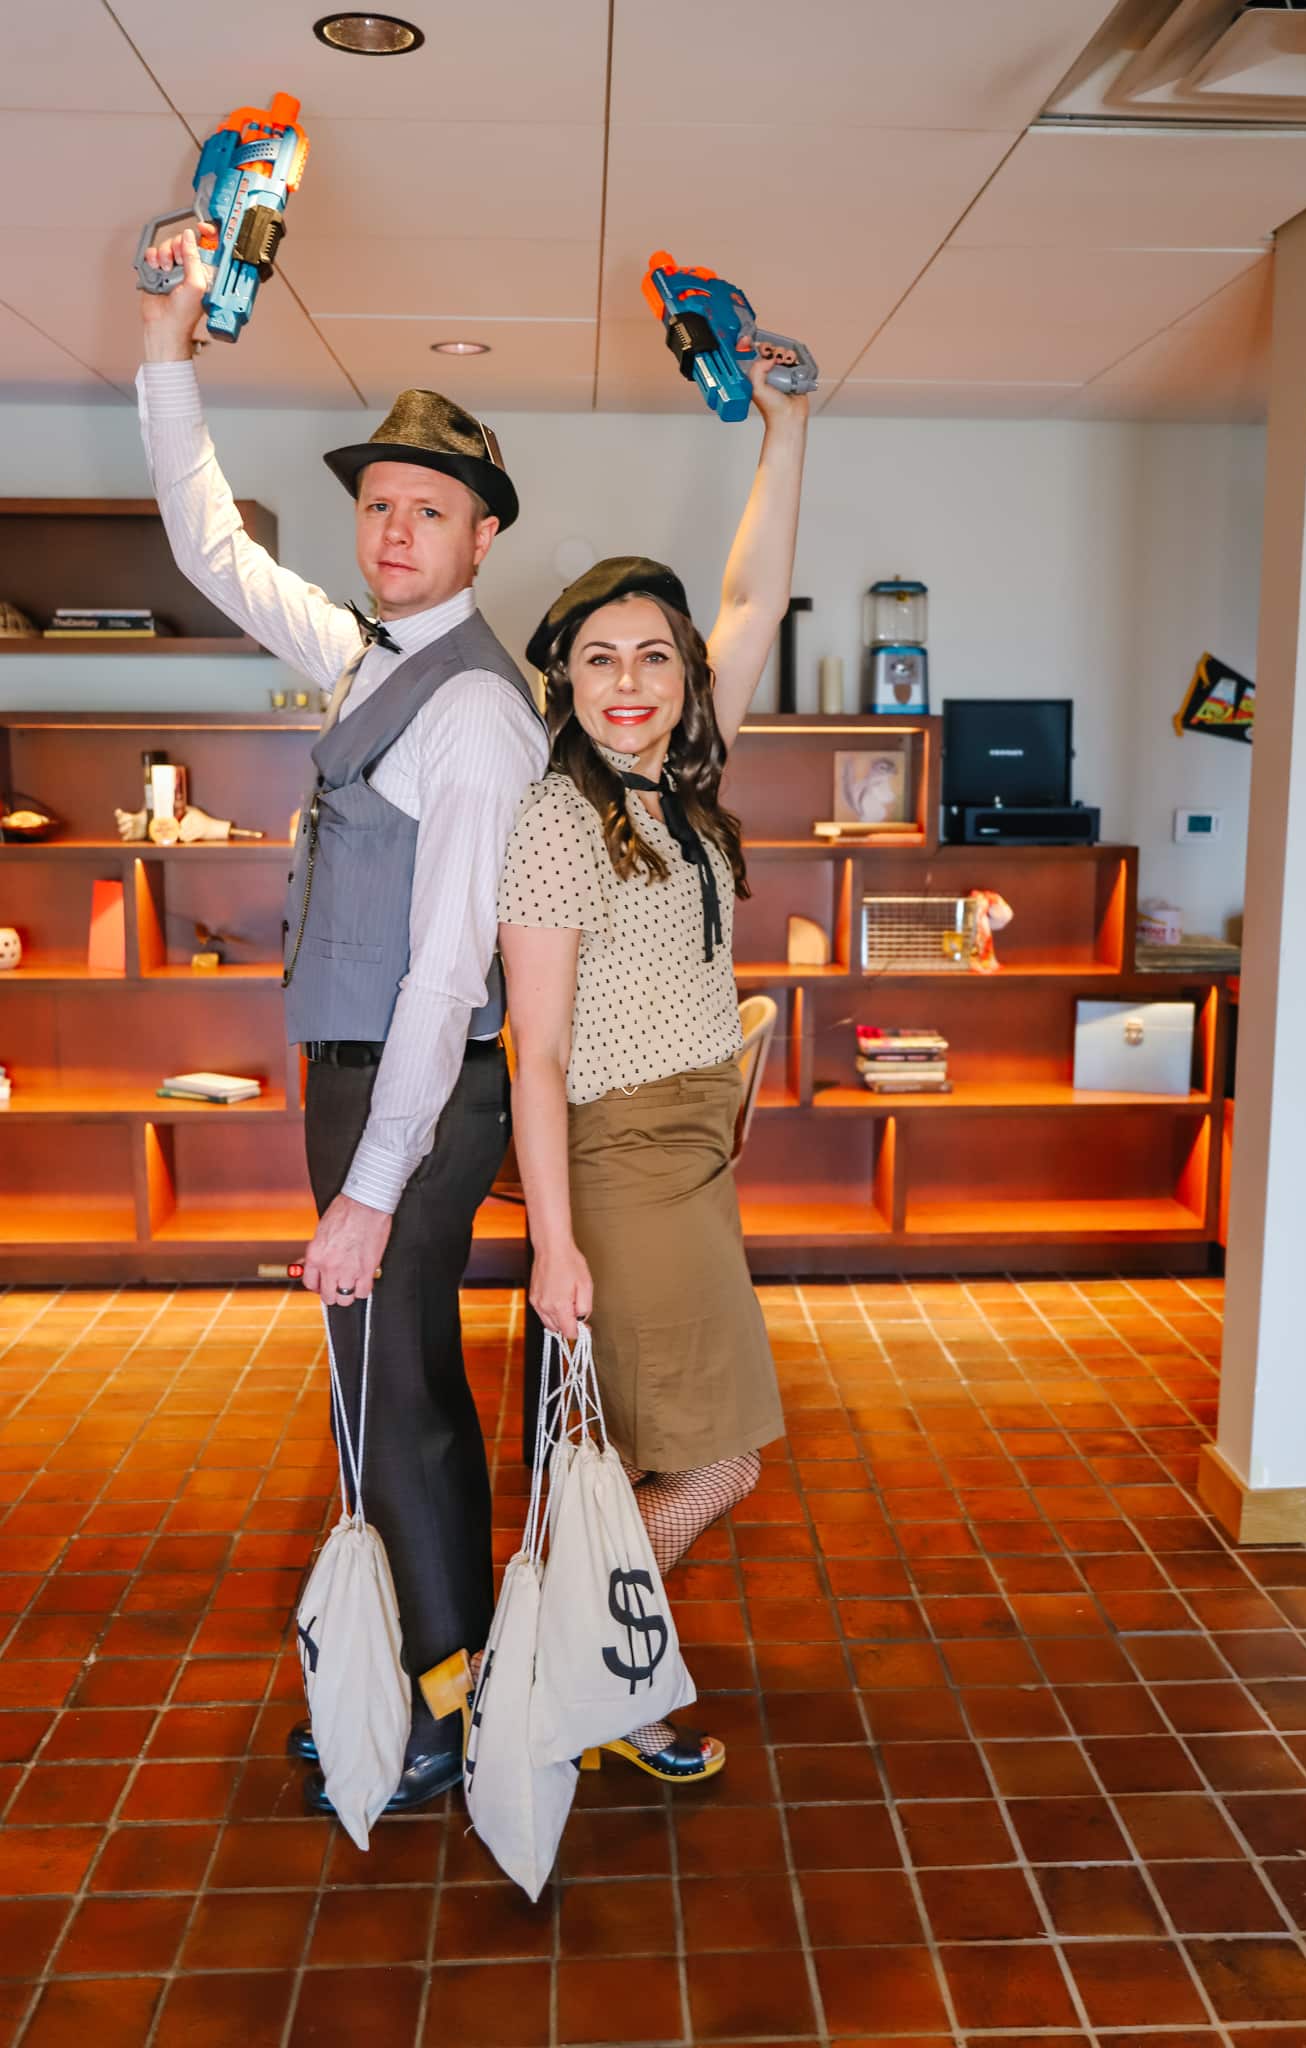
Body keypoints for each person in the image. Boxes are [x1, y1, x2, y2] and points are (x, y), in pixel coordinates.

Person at [138, 229, 548, 1815]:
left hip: (417, 1096)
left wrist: (374, 1189)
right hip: (363, 1079)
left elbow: (451, 973)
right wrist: (172, 344)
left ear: (479, 537)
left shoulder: (473, 715)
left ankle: (443, 1707)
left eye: (425, 510)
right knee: (381, 1382)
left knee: (400, 1386)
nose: (391, 528)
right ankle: (418, 1665)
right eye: (377, 504)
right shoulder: (373, 655)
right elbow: (210, 553)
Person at [497, 358, 807, 1780]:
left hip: (689, 1149)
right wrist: (555, 1242)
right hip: (620, 1158)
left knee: (638, 1450)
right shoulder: (560, 819)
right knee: (715, 1455)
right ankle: (579, 1662)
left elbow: (749, 600)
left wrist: (787, 430)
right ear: (565, 675)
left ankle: (567, 1662)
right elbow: (537, 1045)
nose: (628, 682)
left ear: (684, 680)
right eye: (599, 658)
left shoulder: (683, 788)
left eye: (655, 657)